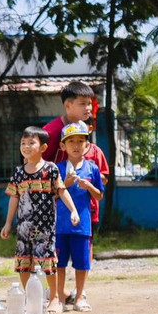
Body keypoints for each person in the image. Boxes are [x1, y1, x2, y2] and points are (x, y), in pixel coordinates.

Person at [0, 126, 81, 314]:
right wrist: (8, 223)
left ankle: (54, 298)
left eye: (31, 143)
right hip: (23, 228)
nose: (26, 146)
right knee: (23, 263)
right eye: (23, 143)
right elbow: (14, 198)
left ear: (43, 147)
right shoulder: (18, 173)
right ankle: (31, 299)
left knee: (47, 262)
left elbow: (62, 191)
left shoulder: (50, 169)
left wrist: (73, 210)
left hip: (45, 228)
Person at [42, 80, 110, 248]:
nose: (88, 108)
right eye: (82, 104)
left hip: (81, 202)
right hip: (54, 202)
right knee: (55, 251)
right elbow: (34, 164)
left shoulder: (83, 129)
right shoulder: (51, 132)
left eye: (89, 103)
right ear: (68, 105)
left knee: (84, 246)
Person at [54, 122, 103, 312]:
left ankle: (80, 297)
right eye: (71, 141)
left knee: (82, 263)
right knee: (59, 263)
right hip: (60, 225)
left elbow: (99, 195)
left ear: (87, 145)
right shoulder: (57, 169)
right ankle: (59, 297)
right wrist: (65, 184)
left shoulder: (92, 169)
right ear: (62, 146)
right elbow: (51, 195)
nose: (76, 145)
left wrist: (88, 186)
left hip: (82, 224)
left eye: (80, 141)